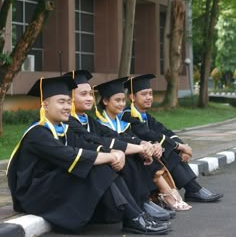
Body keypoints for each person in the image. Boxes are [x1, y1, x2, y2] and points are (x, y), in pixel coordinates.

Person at [7, 75, 169, 235]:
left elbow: (86, 146)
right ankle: (134, 217)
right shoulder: (37, 133)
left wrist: (115, 153)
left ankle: (135, 214)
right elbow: (71, 155)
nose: (66, 107)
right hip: (34, 193)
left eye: (68, 102)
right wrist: (112, 156)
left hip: (53, 183)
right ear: (45, 105)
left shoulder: (62, 129)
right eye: (61, 102)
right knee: (97, 167)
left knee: (101, 164)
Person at [65, 70, 174, 223]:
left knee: (133, 154)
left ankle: (142, 202)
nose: (89, 98)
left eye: (90, 94)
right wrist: (135, 149)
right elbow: (96, 140)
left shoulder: (88, 120)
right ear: (69, 98)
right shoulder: (67, 122)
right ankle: (139, 207)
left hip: (85, 166)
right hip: (72, 174)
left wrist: (142, 144)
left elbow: (112, 135)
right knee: (124, 157)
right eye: (83, 94)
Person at [123, 74, 224, 203]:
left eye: (150, 93)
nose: (149, 97)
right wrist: (179, 147)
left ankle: (193, 189)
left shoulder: (145, 115)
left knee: (168, 146)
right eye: (144, 94)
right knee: (167, 150)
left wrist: (183, 147)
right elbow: (149, 134)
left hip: (148, 153)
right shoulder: (127, 115)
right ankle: (193, 189)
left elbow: (165, 131)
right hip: (138, 157)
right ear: (132, 97)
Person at [95, 76, 192, 211]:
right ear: (105, 101)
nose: (122, 104)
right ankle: (164, 196)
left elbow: (144, 135)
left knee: (152, 155)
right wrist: (146, 146)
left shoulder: (124, 120)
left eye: (123, 100)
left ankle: (164, 196)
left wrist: (151, 145)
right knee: (143, 159)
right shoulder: (99, 123)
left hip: (130, 154)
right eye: (117, 100)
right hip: (113, 160)